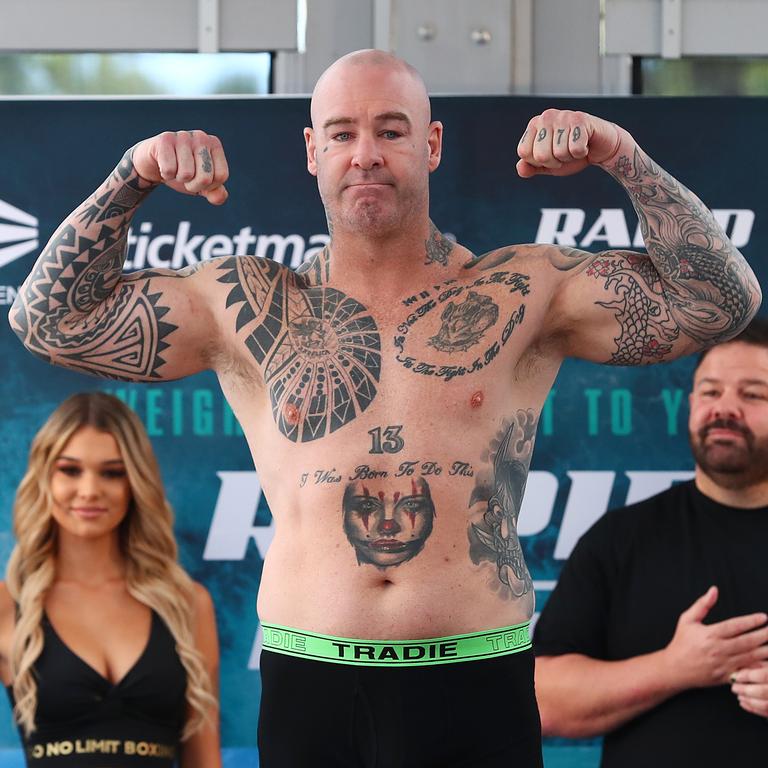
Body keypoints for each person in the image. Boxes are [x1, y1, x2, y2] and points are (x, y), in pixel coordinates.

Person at [8, 48, 761, 766]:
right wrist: (132, 174)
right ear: (312, 151)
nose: (365, 152)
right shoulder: (245, 304)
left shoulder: (522, 292)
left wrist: (620, 154)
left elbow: (722, 301)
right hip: (313, 686)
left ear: (431, 144)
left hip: (478, 683)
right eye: (342, 132)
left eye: (390, 130)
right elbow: (47, 322)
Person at [534, 317, 768, 767]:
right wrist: (675, 668)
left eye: (753, 394)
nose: (726, 408)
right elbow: (544, 700)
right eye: (711, 391)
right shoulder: (621, 538)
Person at [0, 392, 221, 767]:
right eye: (70, 470)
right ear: (44, 476)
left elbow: (204, 760)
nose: (89, 490)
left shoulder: (187, 603)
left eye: (112, 472)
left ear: (135, 482)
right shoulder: (9, 603)